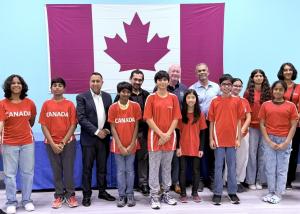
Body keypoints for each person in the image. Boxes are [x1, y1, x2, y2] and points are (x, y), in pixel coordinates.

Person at [76, 72, 115, 207]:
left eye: (98, 81)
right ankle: (86, 195)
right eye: (93, 81)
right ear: (89, 82)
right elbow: (81, 118)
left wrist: (107, 130)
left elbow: (111, 116)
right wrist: (97, 131)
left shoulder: (107, 96)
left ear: (102, 82)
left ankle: (102, 191)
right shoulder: (82, 97)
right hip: (89, 139)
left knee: (102, 167)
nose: (95, 83)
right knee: (87, 168)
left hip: (104, 139)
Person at [144, 70, 181, 209]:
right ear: (156, 82)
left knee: (167, 168)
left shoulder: (173, 98)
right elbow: (148, 118)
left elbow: (176, 118)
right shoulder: (151, 98)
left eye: (165, 79)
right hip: (155, 139)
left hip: (170, 139)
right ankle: (154, 195)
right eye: (159, 80)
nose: (162, 82)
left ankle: (166, 193)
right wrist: (161, 134)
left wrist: (167, 135)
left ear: (168, 81)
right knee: (154, 168)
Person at [39, 77, 78, 209]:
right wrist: (53, 143)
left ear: (64, 88)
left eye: (60, 85)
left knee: (68, 170)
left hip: (68, 143)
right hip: (50, 144)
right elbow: (43, 125)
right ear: (51, 88)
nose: (57, 87)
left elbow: (73, 124)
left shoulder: (70, 104)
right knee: (56, 171)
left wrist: (62, 142)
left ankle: (70, 195)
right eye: (54, 85)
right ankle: (59, 195)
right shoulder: (46, 104)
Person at [0, 75, 37, 214]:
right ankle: (11, 202)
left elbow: (31, 121)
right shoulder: (2, 104)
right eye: (13, 83)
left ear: (23, 85)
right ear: (9, 86)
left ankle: (27, 200)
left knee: (27, 173)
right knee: (9, 175)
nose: (16, 85)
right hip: (9, 143)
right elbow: (1, 124)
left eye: (19, 83)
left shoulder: (30, 103)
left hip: (27, 142)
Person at [259, 80, 298, 204]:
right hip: (269, 139)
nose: (278, 91)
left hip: (284, 140)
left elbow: (293, 125)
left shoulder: (291, 106)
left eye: (281, 89)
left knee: (281, 169)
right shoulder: (265, 105)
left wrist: (286, 142)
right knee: (270, 168)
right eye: (276, 89)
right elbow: (262, 124)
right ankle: (271, 191)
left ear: (284, 91)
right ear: (272, 90)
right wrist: (269, 141)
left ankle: (278, 193)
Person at [208, 74, 244, 205]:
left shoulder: (237, 101)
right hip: (218, 140)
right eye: (224, 84)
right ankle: (217, 193)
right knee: (218, 167)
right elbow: (211, 122)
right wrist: (211, 138)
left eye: (229, 84)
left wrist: (238, 138)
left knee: (232, 167)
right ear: (220, 86)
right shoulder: (214, 101)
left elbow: (239, 121)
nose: (227, 87)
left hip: (232, 140)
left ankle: (232, 192)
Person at [115, 70, 150, 196]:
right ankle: (126, 188)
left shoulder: (146, 95)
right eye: (135, 79)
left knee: (143, 159)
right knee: (126, 163)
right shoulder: (123, 93)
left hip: (142, 133)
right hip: (126, 134)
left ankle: (143, 184)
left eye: (140, 80)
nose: (137, 82)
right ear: (131, 79)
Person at [108, 81, 142, 207]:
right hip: (118, 145)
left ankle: (130, 195)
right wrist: (121, 146)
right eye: (123, 91)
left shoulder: (135, 106)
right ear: (118, 92)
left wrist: (132, 143)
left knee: (130, 171)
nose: (125, 94)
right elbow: (112, 128)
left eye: (128, 92)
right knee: (120, 171)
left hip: (132, 144)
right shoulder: (113, 107)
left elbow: (136, 126)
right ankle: (121, 196)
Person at [189, 63, 220, 191]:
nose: (202, 72)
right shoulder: (192, 89)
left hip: (214, 123)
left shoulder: (217, 87)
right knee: (200, 152)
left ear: (208, 72)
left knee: (213, 152)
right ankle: (200, 179)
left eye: (204, 70)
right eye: (199, 71)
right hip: (198, 124)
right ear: (196, 74)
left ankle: (212, 180)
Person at [176, 89, 207, 203]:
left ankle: (195, 192)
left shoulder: (200, 115)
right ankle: (183, 193)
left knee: (196, 170)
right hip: (183, 147)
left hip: (196, 147)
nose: (190, 100)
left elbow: (203, 133)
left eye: (193, 97)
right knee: (183, 170)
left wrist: (201, 149)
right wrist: (178, 147)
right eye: (188, 97)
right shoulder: (180, 115)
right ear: (185, 100)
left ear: (196, 100)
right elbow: (177, 132)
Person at [244, 69, 271, 190]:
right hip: (252, 127)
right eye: (256, 76)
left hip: (265, 127)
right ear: (252, 78)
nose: (259, 77)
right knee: (252, 153)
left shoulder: (269, 92)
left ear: (264, 78)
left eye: (261, 75)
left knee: (263, 154)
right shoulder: (247, 92)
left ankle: (260, 180)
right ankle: (250, 181)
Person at [223, 78, 251, 193]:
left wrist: (242, 130)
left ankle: (238, 181)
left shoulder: (244, 101)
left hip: (243, 134)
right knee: (229, 159)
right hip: (228, 134)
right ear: (230, 86)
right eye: (235, 85)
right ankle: (229, 180)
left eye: (240, 86)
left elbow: (248, 117)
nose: (237, 88)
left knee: (242, 159)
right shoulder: (225, 99)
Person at [277, 62, 300, 189]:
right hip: (278, 126)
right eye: (285, 70)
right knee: (279, 152)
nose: (287, 72)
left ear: (293, 72)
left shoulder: (298, 88)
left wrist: (294, 121)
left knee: (292, 152)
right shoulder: (277, 86)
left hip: (295, 126)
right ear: (282, 72)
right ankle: (277, 178)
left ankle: (288, 180)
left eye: (290, 70)